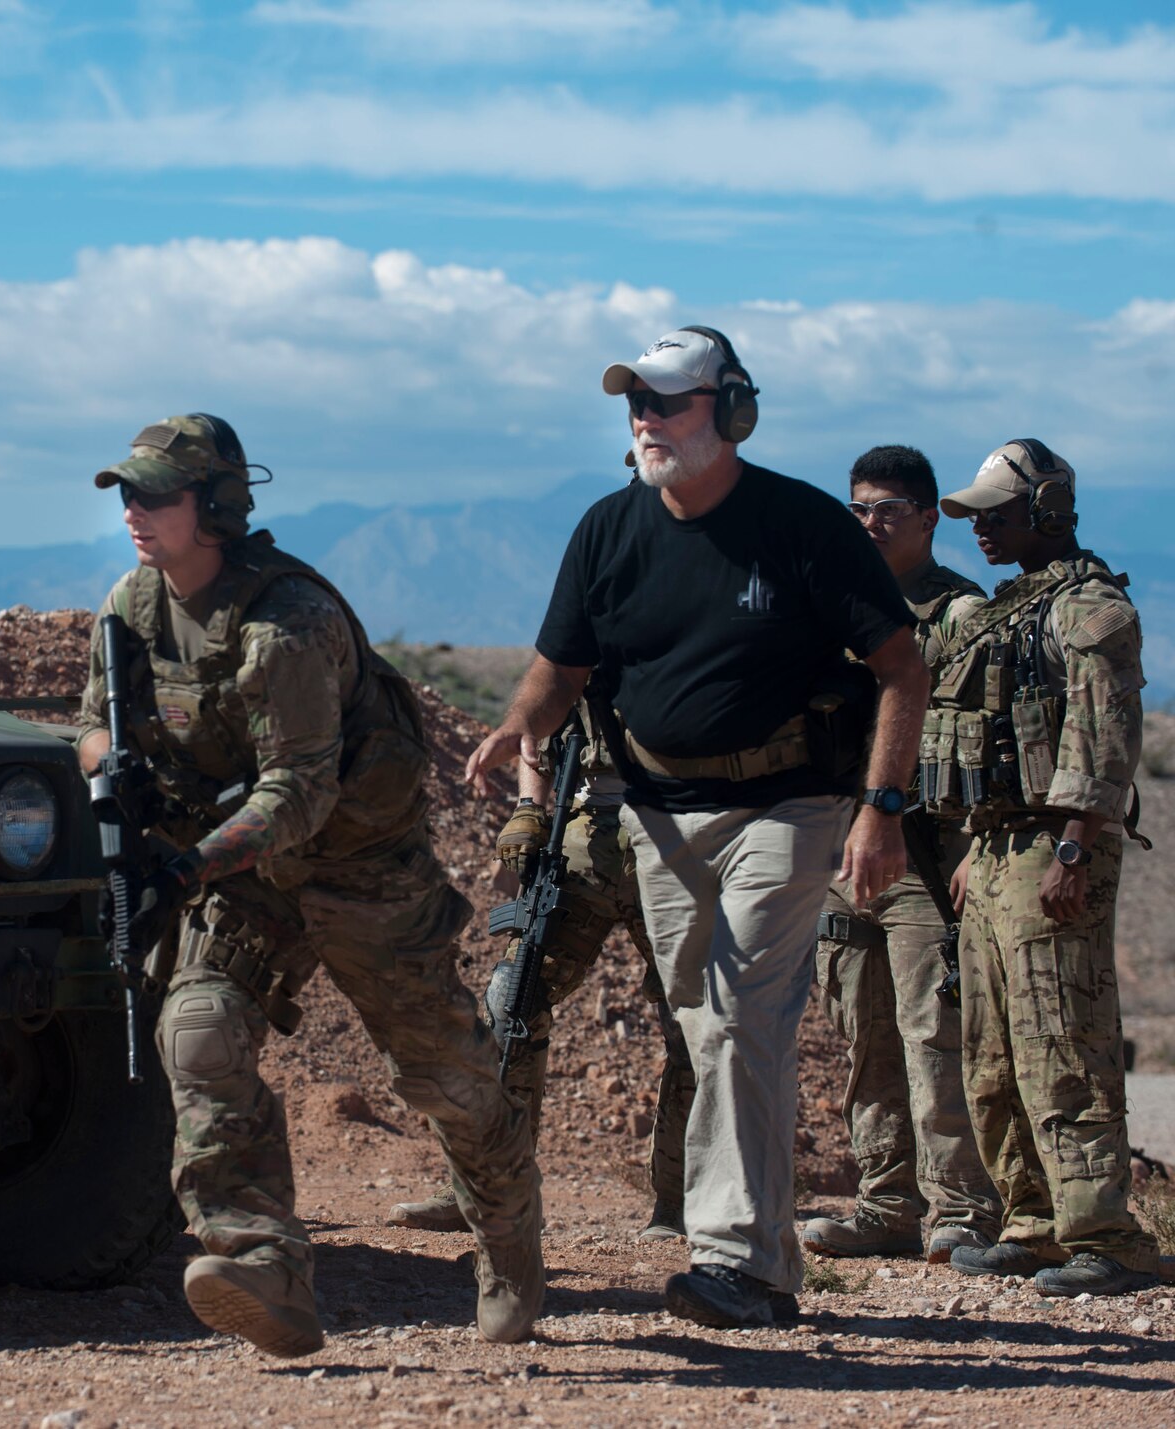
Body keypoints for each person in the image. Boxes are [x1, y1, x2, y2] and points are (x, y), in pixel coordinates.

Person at [465, 326, 928, 1329]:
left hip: (787, 805)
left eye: (667, 401)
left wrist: (879, 809)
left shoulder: (801, 525)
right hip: (657, 815)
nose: (644, 418)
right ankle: (755, 1257)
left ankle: (740, 1264)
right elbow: (563, 665)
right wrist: (517, 724)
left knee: (734, 1016)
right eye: (635, 401)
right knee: (706, 1021)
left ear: (730, 413)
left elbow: (900, 668)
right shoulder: (606, 529)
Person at [75, 414, 544, 1355]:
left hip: (357, 865)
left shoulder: (288, 624)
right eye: (127, 493)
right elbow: (91, 717)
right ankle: (262, 1261)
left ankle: (507, 1238)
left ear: (214, 506)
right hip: (245, 875)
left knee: (448, 1079)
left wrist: (188, 864)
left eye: (156, 495)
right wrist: (109, 771)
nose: (134, 511)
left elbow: (298, 790)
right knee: (198, 1031)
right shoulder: (131, 608)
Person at [931, 440, 1160, 1296]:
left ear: (1051, 507)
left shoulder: (1088, 611)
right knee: (992, 1052)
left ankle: (1106, 1233)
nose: (984, 527)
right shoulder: (1010, 612)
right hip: (997, 852)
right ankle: (1031, 1220)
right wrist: (975, 853)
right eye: (978, 514)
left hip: (1053, 849)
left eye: (1000, 510)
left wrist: (1072, 847)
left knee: (1064, 1041)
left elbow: (1104, 744)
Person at [386, 697, 696, 1244]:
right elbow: (538, 726)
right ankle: (487, 1190)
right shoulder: (590, 621)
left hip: (681, 831)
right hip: (584, 831)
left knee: (694, 1022)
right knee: (512, 999)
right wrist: (530, 807)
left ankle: (680, 1204)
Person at [801, 446, 1002, 1263]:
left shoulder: (961, 615)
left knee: (934, 1031)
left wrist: (978, 844)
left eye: (887, 508)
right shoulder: (836, 611)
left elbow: (993, 742)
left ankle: (960, 1208)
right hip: (842, 855)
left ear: (926, 517)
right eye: (858, 509)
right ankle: (886, 1204)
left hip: (925, 850)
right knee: (864, 1034)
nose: (871, 523)